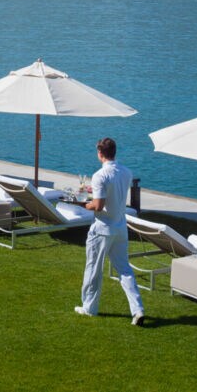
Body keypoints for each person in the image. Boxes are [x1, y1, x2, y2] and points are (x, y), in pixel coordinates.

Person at [76, 137, 145, 325]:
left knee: (93, 269)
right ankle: (137, 309)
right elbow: (115, 191)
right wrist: (94, 190)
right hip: (120, 227)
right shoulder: (126, 172)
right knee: (125, 270)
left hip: (102, 229)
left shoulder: (100, 175)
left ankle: (89, 307)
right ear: (114, 152)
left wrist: (84, 204)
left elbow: (98, 205)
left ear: (100, 153)